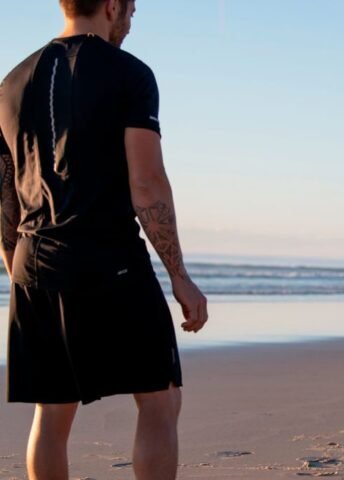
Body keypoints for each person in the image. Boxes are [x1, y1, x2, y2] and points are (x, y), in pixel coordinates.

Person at [0, 1, 208, 479]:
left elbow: (5, 194)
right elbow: (147, 184)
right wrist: (180, 276)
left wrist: (15, 265)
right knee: (159, 398)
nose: (130, 22)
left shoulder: (10, 83)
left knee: (51, 413)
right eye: (132, 11)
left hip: (34, 264)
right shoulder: (128, 74)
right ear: (113, 5)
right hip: (109, 259)